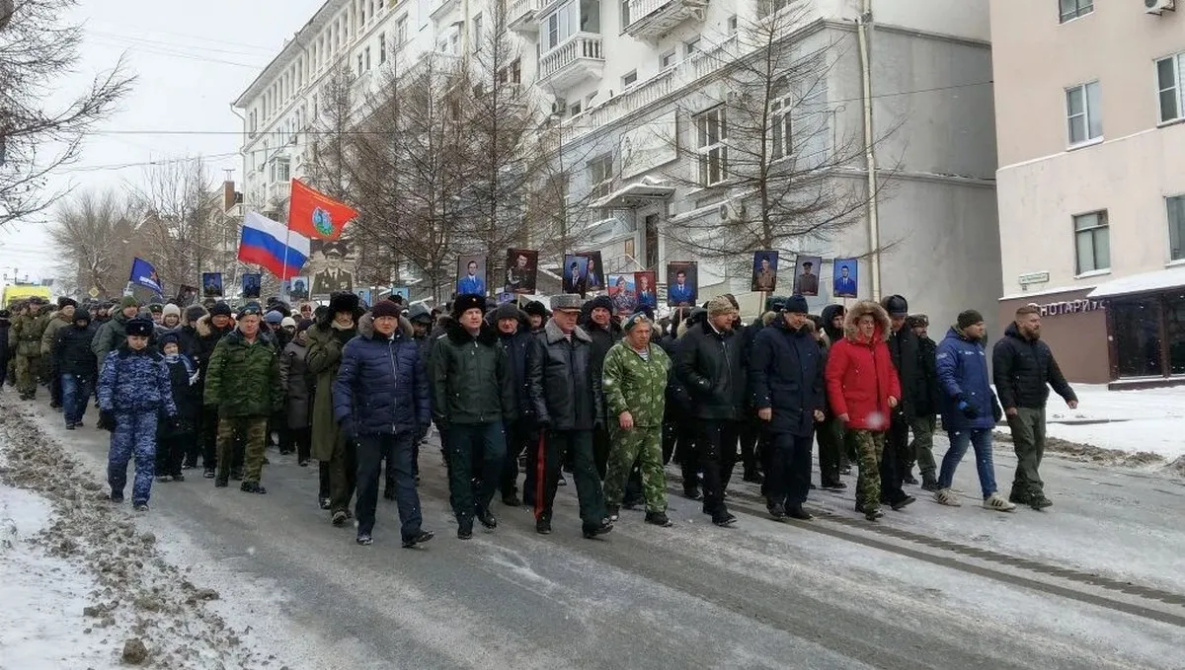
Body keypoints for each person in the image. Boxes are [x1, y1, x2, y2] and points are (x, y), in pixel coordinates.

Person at [334, 301, 434, 547]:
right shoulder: (357, 347)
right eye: (382, 318)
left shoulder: (409, 347)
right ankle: (364, 527)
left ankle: (411, 529)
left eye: (391, 318)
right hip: (369, 425)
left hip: (402, 425)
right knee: (368, 478)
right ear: (374, 320)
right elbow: (344, 384)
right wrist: (345, 416)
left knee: (405, 477)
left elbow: (420, 386)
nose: (387, 323)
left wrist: (423, 418)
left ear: (398, 321)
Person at [526, 294, 614, 538]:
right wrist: (542, 414)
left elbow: (593, 380)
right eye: (567, 314)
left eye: (575, 314)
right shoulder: (541, 341)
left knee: (587, 469)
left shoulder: (585, 342)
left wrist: (597, 413)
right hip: (555, 419)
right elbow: (534, 382)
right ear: (555, 313)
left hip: (582, 417)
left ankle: (593, 519)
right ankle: (543, 514)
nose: (572, 318)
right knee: (549, 471)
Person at [431, 294, 514, 539]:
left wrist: (507, 410)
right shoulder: (446, 344)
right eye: (469, 313)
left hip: (491, 415)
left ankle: (481, 502)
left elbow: (504, 378)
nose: (475, 316)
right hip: (459, 417)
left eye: (478, 312)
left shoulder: (492, 342)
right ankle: (464, 517)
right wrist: (441, 414)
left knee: (497, 456)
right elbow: (437, 381)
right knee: (461, 469)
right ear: (460, 317)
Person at [993, 304, 1078, 511]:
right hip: (1019, 407)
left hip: (1039, 405)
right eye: (1033, 321)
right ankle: (1035, 492)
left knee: (1037, 449)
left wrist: (1068, 395)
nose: (1038, 324)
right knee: (1027, 448)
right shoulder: (1005, 346)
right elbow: (1001, 379)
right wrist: (1009, 405)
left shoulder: (1042, 348)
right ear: (1020, 323)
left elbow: (1054, 374)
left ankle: (1019, 490)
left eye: (1038, 320)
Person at [749, 295, 825, 521]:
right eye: (796, 315)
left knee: (802, 457)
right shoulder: (768, 336)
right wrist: (763, 402)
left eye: (803, 315)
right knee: (782, 450)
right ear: (786, 314)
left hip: (804, 407)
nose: (800, 319)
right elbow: (758, 372)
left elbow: (817, 377)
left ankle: (796, 501)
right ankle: (775, 497)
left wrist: (819, 405)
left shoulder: (808, 341)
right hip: (779, 405)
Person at [675, 296, 748, 528]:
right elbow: (683, 368)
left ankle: (713, 497)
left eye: (732, 314)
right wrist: (705, 385)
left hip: (731, 408)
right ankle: (717, 507)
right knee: (711, 458)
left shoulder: (734, 338)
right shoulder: (694, 337)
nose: (731, 318)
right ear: (714, 316)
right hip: (706, 409)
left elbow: (742, 367)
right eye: (726, 314)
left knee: (728, 457)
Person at [933, 310, 1016, 512]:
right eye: (977, 324)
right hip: (961, 411)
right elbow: (945, 376)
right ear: (965, 326)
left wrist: (992, 401)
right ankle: (942, 488)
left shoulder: (977, 347)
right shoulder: (949, 346)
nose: (982, 328)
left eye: (982, 324)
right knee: (957, 450)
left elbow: (981, 380)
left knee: (985, 454)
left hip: (981, 411)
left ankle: (990, 494)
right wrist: (960, 400)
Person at [825, 300, 900, 522]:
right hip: (858, 412)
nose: (869, 326)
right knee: (869, 462)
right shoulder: (843, 347)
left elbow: (891, 373)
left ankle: (862, 498)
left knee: (876, 459)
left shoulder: (881, 347)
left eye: (872, 322)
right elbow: (833, 379)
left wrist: (894, 394)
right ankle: (871, 504)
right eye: (865, 322)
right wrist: (841, 409)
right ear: (856, 324)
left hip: (879, 412)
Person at [97, 317, 177, 511]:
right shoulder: (116, 358)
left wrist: (171, 413)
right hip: (122, 414)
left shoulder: (157, 360)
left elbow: (165, 388)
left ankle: (141, 498)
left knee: (146, 456)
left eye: (143, 338)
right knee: (119, 456)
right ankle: (117, 488)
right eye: (135, 338)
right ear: (128, 337)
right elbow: (106, 384)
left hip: (147, 415)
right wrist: (106, 409)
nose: (139, 342)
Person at [601, 312, 673, 527]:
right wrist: (622, 410)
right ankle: (611, 502)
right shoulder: (617, 353)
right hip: (628, 421)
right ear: (629, 333)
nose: (644, 335)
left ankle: (656, 509)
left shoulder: (657, 352)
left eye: (647, 331)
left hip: (653, 420)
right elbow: (610, 385)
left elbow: (667, 374)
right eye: (639, 332)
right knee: (621, 463)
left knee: (654, 464)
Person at [204, 302, 282, 494]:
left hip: (258, 402)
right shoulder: (227, 344)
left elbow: (275, 376)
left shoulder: (267, 345)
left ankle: (251, 480)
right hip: (231, 401)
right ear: (238, 322)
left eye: (253, 321)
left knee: (256, 444)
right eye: (246, 321)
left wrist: (277, 399)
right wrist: (212, 397)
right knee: (226, 441)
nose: (249, 324)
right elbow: (214, 372)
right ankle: (223, 473)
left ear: (259, 322)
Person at [308, 292, 363, 519]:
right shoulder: (319, 332)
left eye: (349, 313)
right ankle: (337, 504)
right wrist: (335, 345)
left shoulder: (364, 331)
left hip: (359, 398)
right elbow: (313, 363)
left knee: (356, 454)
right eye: (341, 313)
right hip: (330, 398)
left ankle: (343, 500)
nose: (345, 317)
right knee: (336, 450)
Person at [491, 302, 535, 508]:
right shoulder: (492, 341)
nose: (507, 323)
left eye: (510, 320)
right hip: (500, 404)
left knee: (519, 448)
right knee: (505, 451)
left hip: (525, 403)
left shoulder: (529, 339)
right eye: (503, 320)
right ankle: (507, 488)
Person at [878, 294, 919, 509]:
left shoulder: (908, 337)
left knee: (900, 449)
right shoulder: (879, 337)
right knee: (885, 451)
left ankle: (892, 489)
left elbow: (912, 372)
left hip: (903, 403)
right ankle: (890, 491)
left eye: (902, 318)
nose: (899, 322)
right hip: (883, 403)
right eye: (895, 318)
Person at [194, 302, 235, 478]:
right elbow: (196, 355)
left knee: (229, 427)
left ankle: (228, 462)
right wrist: (215, 357)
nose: (221, 320)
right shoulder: (203, 333)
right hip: (208, 383)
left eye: (225, 317)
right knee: (209, 426)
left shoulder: (233, 334)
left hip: (230, 384)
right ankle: (209, 464)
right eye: (218, 316)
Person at [582, 295, 622, 480]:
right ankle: (597, 474)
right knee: (598, 435)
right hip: (592, 390)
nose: (600, 314)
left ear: (610, 313)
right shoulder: (584, 333)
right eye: (596, 310)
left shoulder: (619, 332)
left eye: (604, 310)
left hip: (616, 389)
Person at [155, 332, 200, 483]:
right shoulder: (159, 364)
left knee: (180, 441)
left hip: (183, 407)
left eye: (174, 346)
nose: (172, 349)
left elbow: (192, 382)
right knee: (163, 440)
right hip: (164, 409)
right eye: (168, 347)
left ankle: (176, 470)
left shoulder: (186, 362)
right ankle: (161, 470)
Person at [907, 314, 942, 491]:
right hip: (915, 401)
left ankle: (904, 462)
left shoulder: (930, 345)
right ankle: (929, 476)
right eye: (919, 326)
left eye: (925, 326)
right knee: (924, 439)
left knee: (925, 438)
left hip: (930, 400)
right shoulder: (907, 347)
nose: (923, 330)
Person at [817, 304, 849, 485]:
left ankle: (833, 473)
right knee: (829, 437)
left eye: (842, 319)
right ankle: (829, 474)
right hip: (825, 394)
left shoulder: (846, 338)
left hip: (841, 393)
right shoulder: (825, 340)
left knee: (835, 437)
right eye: (836, 319)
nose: (840, 323)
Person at [54, 306, 97, 429]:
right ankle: (69, 419)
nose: (82, 324)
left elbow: (95, 350)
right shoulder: (65, 331)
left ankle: (78, 417)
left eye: (84, 321)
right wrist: (57, 365)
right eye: (80, 321)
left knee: (84, 395)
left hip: (87, 369)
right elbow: (57, 349)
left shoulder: (92, 332)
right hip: (69, 368)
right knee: (69, 393)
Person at [280, 319, 314, 467]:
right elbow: (283, 368)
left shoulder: (316, 347)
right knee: (300, 424)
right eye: (302, 332)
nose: (305, 335)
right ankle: (302, 454)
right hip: (296, 389)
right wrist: (284, 386)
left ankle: (308, 452)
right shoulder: (290, 348)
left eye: (308, 332)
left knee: (311, 423)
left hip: (312, 388)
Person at [41, 297, 77, 409]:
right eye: (67, 308)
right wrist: (46, 350)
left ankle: (70, 400)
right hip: (59, 354)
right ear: (61, 310)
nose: (70, 310)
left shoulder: (78, 321)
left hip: (75, 355)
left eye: (72, 308)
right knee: (57, 378)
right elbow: (47, 337)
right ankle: (57, 400)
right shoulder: (55, 322)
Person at [12, 298, 51, 400]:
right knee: (23, 370)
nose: (35, 306)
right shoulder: (22, 317)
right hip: (23, 347)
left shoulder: (44, 318)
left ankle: (31, 391)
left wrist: (44, 347)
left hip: (36, 347)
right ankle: (24, 390)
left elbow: (46, 333)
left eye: (37, 304)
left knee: (34, 371)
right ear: (29, 305)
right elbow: (14, 329)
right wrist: (13, 343)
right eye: (33, 304)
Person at [92, 296, 141, 375]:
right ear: (122, 308)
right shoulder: (111, 326)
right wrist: (104, 372)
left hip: (138, 370)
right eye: (128, 306)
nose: (132, 309)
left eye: (134, 306)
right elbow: (103, 350)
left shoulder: (141, 324)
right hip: (118, 369)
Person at [0, 308, 11, 389]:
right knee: (3, 367)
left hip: (5, 351)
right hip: (6, 351)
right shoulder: (11, 326)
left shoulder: (11, 326)